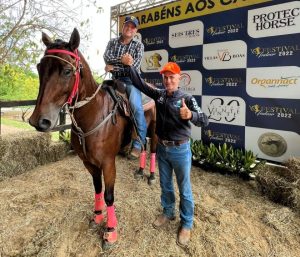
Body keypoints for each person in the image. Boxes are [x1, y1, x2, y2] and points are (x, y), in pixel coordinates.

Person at [129, 62, 209, 247]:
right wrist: (130, 66)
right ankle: (168, 212)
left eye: (171, 77)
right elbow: (139, 83)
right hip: (163, 149)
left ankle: (187, 224)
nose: (167, 80)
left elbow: (204, 120)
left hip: (181, 150)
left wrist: (190, 115)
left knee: (184, 188)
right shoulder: (160, 95)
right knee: (165, 185)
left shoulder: (187, 98)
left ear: (179, 78)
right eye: (165, 77)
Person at [103, 15, 147, 159]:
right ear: (122, 27)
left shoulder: (138, 45)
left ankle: (138, 144)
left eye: (132, 27)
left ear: (136, 31)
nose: (129, 28)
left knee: (135, 106)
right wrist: (122, 60)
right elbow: (106, 57)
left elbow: (132, 67)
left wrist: (113, 67)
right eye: (127, 25)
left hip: (131, 81)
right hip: (114, 80)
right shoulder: (112, 42)